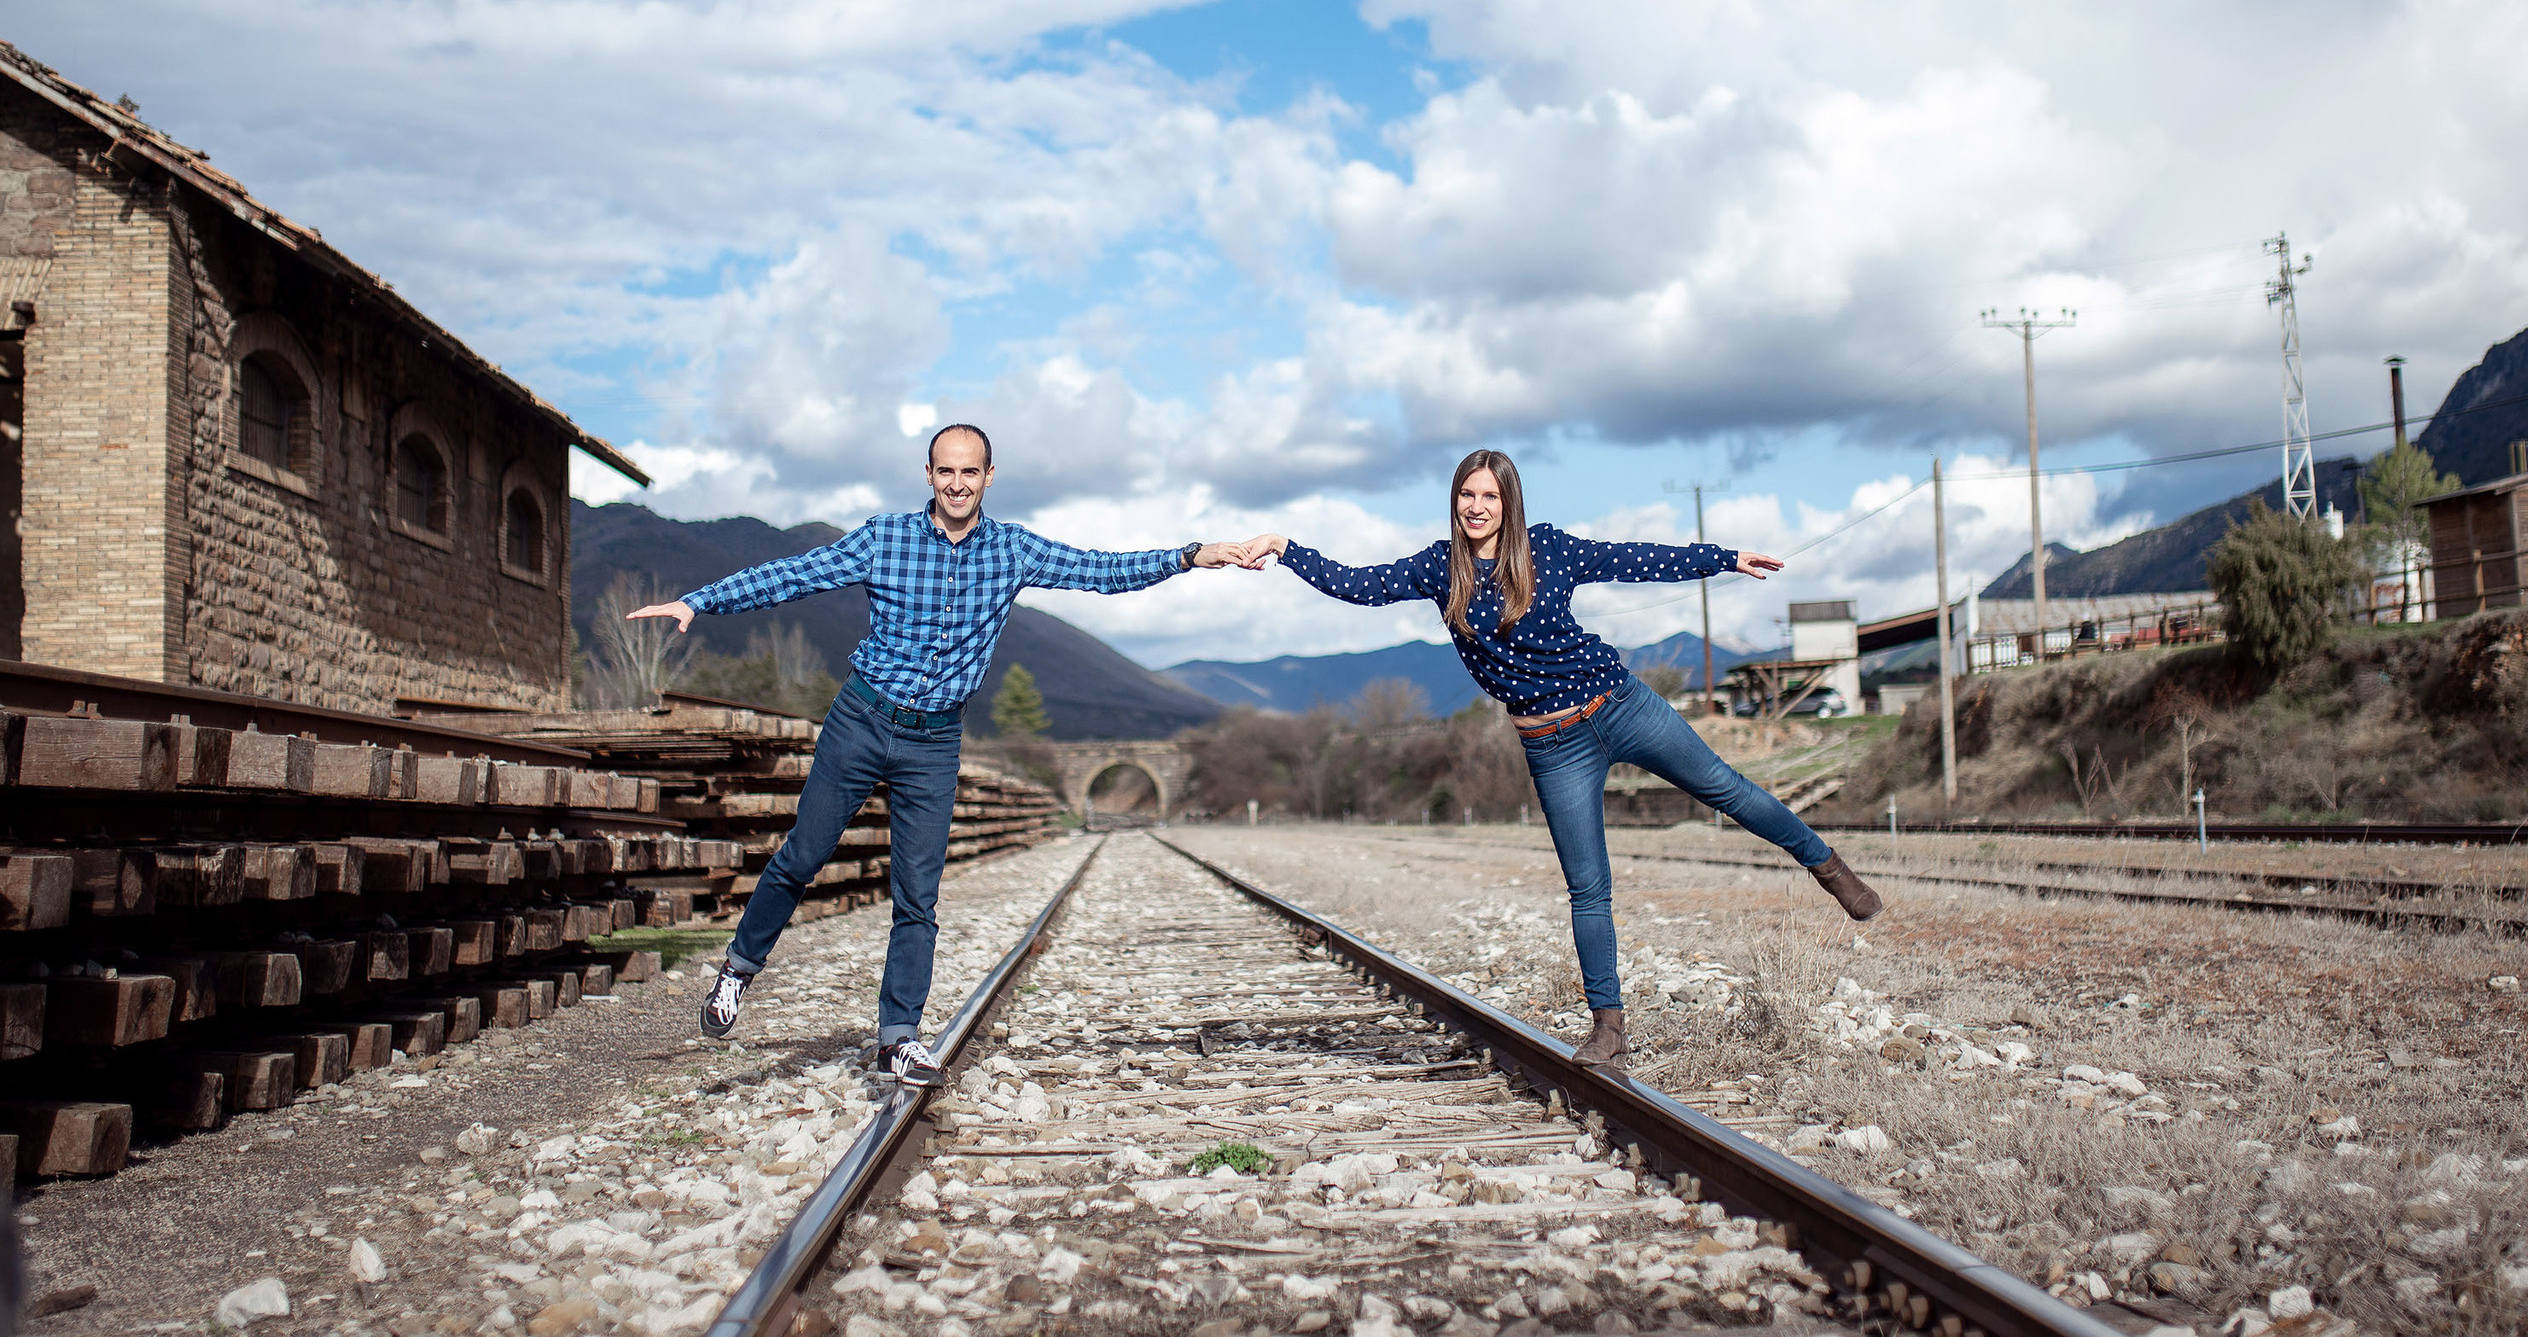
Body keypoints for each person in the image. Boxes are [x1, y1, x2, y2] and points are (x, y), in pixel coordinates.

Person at [625, 423, 1251, 1085]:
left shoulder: (1012, 550)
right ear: (929, 475)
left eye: (970, 473)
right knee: (801, 858)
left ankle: (899, 1038)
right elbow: (794, 576)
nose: (957, 484)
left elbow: (1099, 570)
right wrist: (702, 601)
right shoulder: (884, 538)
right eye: (945, 472)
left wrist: (1188, 556)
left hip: (934, 741)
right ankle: (738, 971)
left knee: (917, 896)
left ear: (988, 478)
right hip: (862, 720)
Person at [1240, 448, 1881, 1071]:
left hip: (1620, 705)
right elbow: (1358, 586)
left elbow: (1635, 560)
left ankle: (1826, 866)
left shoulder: (1547, 548)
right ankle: (1609, 1028)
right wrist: (1286, 549)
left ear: (1510, 502)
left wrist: (1723, 558)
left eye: (1489, 495)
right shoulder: (1441, 569)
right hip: (1551, 746)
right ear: (1454, 501)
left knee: (1728, 789)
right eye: (1467, 494)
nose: (1477, 506)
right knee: (1588, 887)